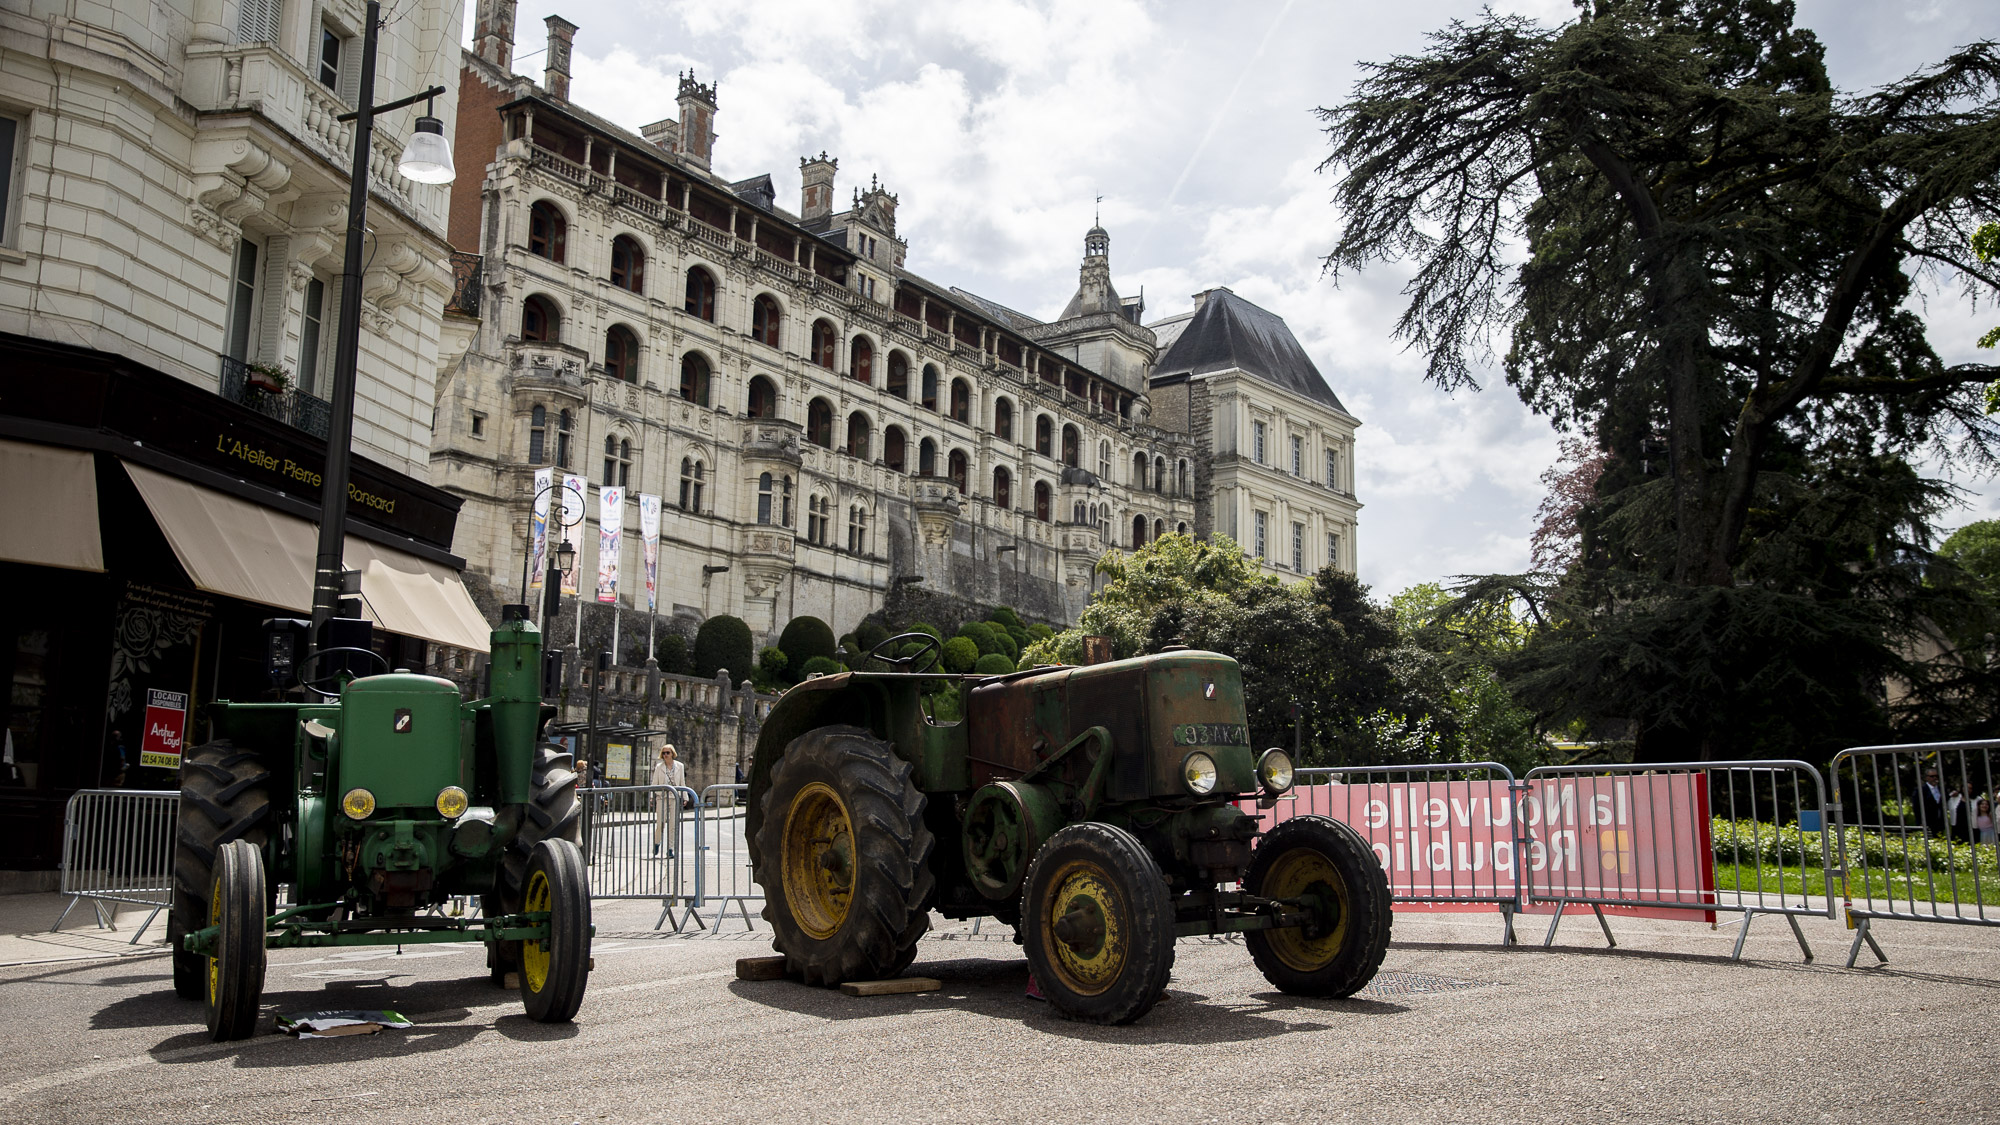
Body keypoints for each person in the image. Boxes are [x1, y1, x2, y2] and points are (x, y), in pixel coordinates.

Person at [651, 744, 685, 857]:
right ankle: (657, 843)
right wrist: (653, 796)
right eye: (664, 753)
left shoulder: (680, 766)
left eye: (667, 753)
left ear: (672, 754)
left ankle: (670, 849)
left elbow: (682, 783)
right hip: (662, 797)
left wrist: (685, 797)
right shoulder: (659, 767)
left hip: (674, 797)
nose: (665, 755)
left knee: (673, 824)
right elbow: (654, 783)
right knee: (661, 823)